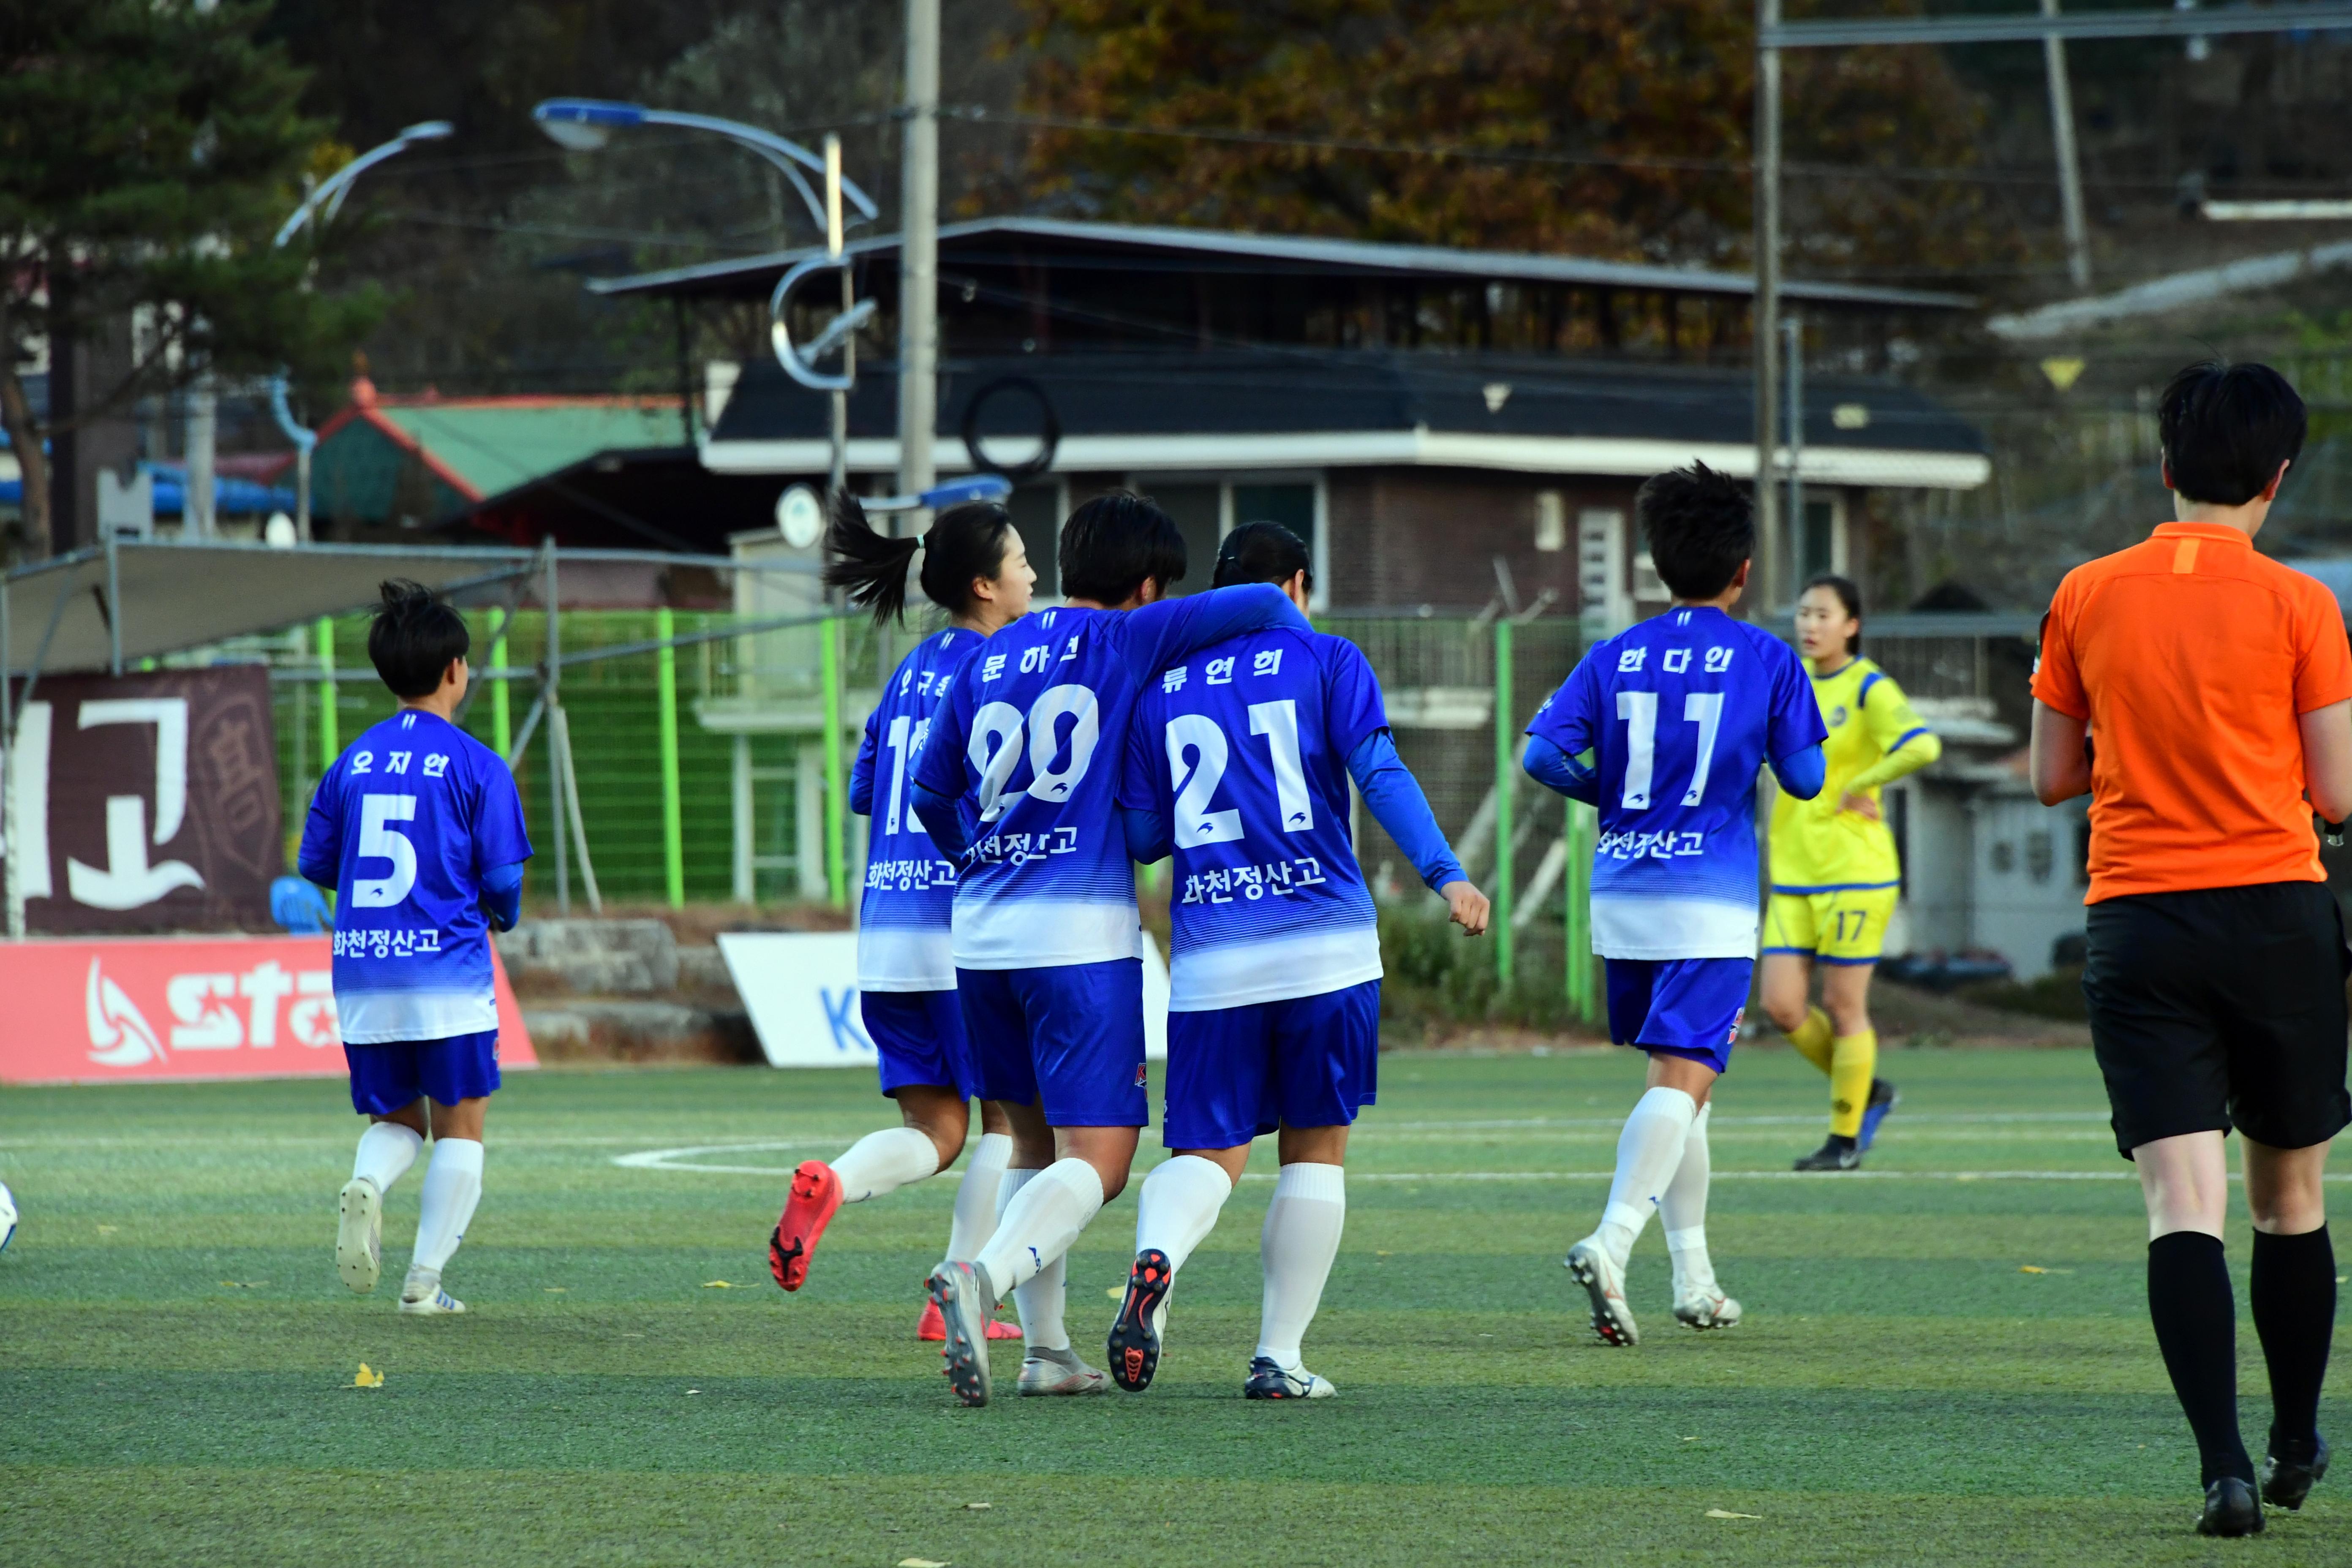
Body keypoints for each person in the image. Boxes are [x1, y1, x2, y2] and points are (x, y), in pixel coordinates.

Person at [2030, 360, 2349, 1537]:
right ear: (2278, 476)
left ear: (2164, 468)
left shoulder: (2083, 593)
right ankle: (2298, 1436)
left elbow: (2052, 774)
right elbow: (2340, 791)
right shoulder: (2302, 604)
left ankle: (2220, 1467)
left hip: (2140, 919)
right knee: (2291, 1200)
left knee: (2181, 1208)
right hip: (2276, 914)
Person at [912, 490, 1315, 1407]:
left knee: (1027, 1140)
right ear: (1144, 585)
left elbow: (934, 793)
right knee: (1100, 1157)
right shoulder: (1123, 638)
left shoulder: (990, 651)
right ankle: (984, 1278)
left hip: (980, 933)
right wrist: (1288, 618)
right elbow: (1258, 603)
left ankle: (1046, 1352)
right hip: (1077, 937)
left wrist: (977, 852)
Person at [1108, 522, 1491, 1400]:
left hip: (1211, 960)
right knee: (1316, 1151)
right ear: (1299, 584)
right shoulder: (1328, 658)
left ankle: (1157, 1257)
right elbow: (1381, 772)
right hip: (1326, 950)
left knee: (1208, 1150)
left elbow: (1143, 837)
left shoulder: (1160, 688)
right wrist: (1447, 873)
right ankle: (1278, 1356)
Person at [1521, 463, 1827, 1347]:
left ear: (1657, 565)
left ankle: (1695, 1276)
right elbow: (1805, 778)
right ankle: (1613, 1239)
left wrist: (1614, 795)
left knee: (1681, 1079)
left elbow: (1543, 756)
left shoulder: (1615, 652)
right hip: (1710, 901)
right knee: (1684, 1072)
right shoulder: (1768, 655)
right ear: (1745, 569)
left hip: (1622, 889)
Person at [764, 494, 1027, 1351]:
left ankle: (831, 1181)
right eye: (1022, 560)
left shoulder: (910, 671)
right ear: (985, 586)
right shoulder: (1001, 667)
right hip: (961, 927)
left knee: (936, 1130)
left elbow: (861, 794)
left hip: (884, 926)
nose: (1033, 574)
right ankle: (958, 1291)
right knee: (1010, 1125)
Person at [300, 580, 531, 1318]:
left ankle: (369, 1185)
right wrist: (498, 913)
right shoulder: (476, 764)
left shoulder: (352, 763)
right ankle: (423, 1284)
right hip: (448, 975)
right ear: (456, 669)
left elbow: (316, 863)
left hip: (364, 973)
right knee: (461, 1128)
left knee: (396, 1124)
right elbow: (502, 879)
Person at [1759, 574, 1940, 1170]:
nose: (1809, 625)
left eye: (1823, 615)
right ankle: (1870, 1091)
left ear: (1852, 625)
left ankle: (1843, 1142)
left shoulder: (1868, 688)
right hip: (1791, 872)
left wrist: (1864, 782)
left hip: (1856, 873)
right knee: (1782, 1005)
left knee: (1843, 1005)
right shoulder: (1787, 682)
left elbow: (1922, 747)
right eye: (1803, 613)